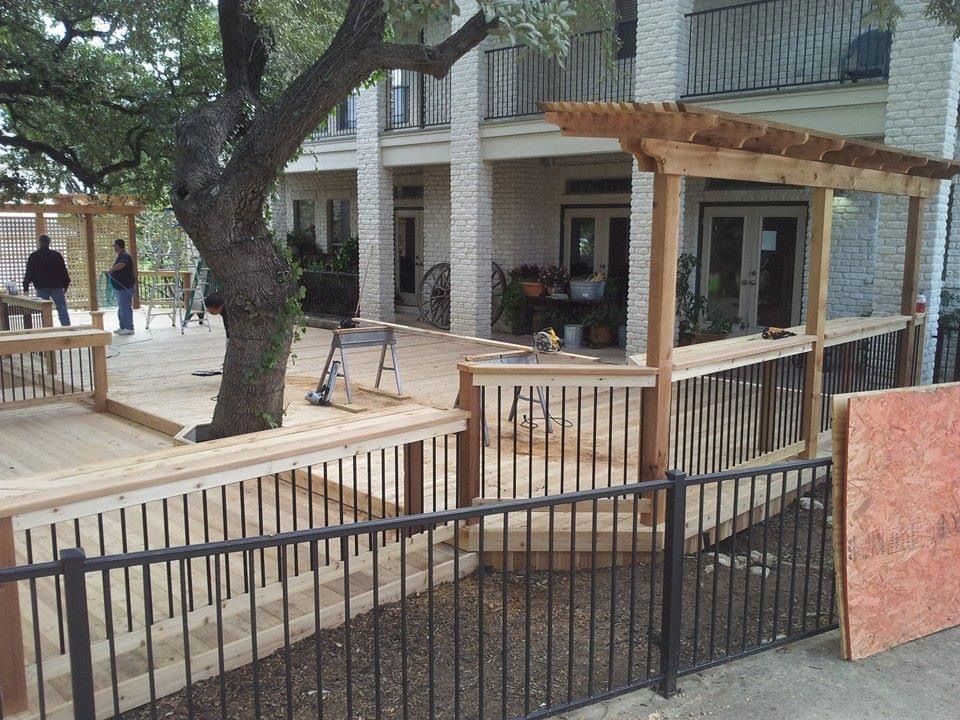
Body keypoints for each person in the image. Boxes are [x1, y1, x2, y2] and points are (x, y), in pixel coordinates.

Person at [22, 234, 71, 326]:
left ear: (39, 242)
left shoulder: (34, 256)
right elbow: (63, 271)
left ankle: (46, 327)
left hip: (41, 287)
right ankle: (66, 327)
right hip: (56, 286)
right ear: (49, 242)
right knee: (62, 308)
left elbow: (29, 272)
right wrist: (66, 284)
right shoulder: (56, 255)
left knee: (44, 310)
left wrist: (26, 286)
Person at [108, 238, 136, 335]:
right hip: (120, 288)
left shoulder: (125, 256)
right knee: (121, 308)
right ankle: (123, 326)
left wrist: (111, 270)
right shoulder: (120, 256)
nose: (114, 248)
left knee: (125, 307)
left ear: (118, 246)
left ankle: (129, 327)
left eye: (115, 246)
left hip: (126, 287)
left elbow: (122, 265)